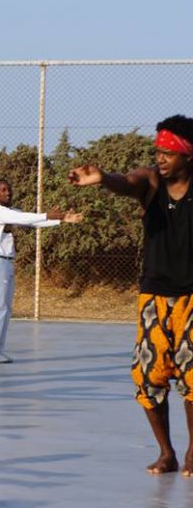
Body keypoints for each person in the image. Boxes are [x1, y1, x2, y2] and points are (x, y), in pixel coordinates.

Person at [69, 114, 193, 476]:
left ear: (188, 155)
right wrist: (103, 179)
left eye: (169, 153)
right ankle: (167, 452)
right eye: (158, 151)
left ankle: (192, 454)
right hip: (154, 295)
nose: (161, 159)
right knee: (148, 376)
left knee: (192, 377)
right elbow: (128, 181)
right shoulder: (151, 182)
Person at [0, 179, 81, 364]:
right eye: (2, 190)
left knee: (5, 308)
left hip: (6, 263)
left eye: (9, 190)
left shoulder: (9, 212)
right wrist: (47, 214)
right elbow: (25, 219)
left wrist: (61, 219)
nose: (7, 193)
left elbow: (32, 221)